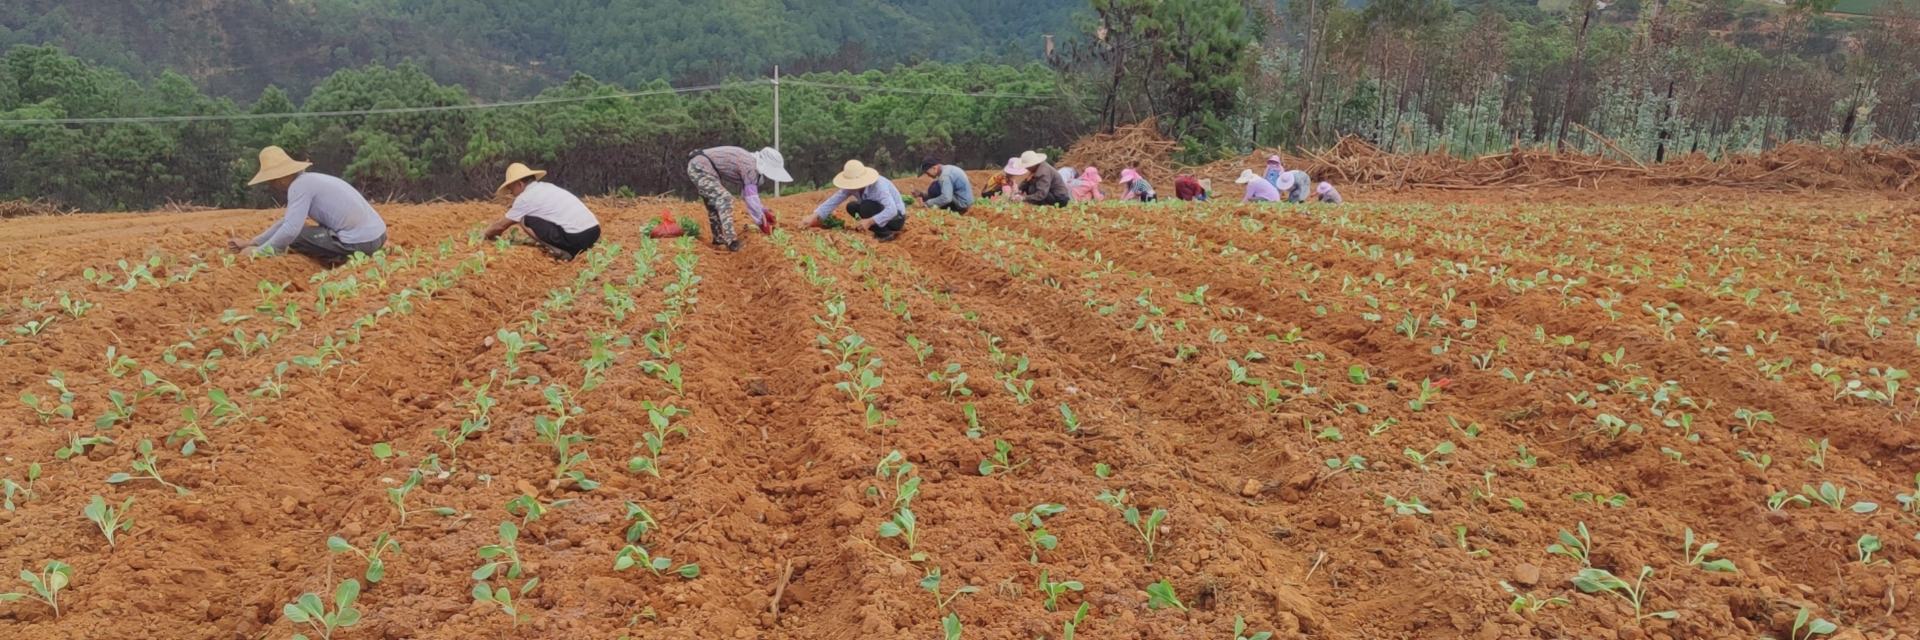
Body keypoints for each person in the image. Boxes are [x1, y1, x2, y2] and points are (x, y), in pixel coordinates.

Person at [232, 146, 387, 266]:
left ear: (280, 177)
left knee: (295, 237)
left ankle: (336, 258)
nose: (272, 184)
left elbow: (290, 230)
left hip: (360, 243)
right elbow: (286, 222)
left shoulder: (298, 187)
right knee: (295, 231)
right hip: (379, 236)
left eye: (272, 180)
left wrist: (259, 252)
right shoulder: (311, 180)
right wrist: (253, 242)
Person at [482, 163, 601, 261]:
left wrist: (484, 236)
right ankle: (574, 247)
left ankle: (562, 252)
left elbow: (501, 226)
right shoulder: (547, 187)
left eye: (511, 189)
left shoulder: (524, 198)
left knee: (525, 220)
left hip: (577, 238)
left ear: (520, 184)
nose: (511, 193)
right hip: (594, 232)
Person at [687, 146, 792, 252]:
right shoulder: (750, 166)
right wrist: (761, 221)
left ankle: (718, 238)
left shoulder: (749, 161)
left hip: (701, 166)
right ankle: (732, 242)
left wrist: (763, 210)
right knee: (725, 198)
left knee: (714, 204)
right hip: (700, 168)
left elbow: (749, 195)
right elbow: (751, 198)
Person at [803, 160, 907, 242]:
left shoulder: (879, 186)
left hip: (896, 219)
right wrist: (814, 216)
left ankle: (886, 234)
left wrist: (869, 221)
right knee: (852, 206)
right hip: (880, 212)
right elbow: (834, 200)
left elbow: (892, 210)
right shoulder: (851, 188)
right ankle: (880, 229)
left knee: (866, 206)